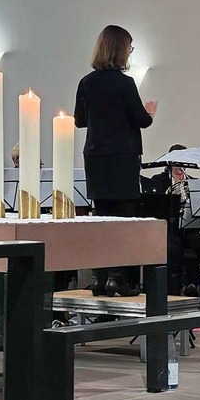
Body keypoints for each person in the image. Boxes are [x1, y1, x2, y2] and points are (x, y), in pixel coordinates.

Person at [74, 24, 158, 297]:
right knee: (124, 220)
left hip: (96, 157)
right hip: (122, 158)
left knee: (101, 219)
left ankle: (99, 278)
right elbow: (142, 121)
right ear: (122, 50)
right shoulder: (125, 83)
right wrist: (150, 111)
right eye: (130, 48)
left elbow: (80, 121)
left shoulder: (86, 82)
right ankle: (117, 278)